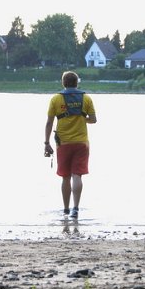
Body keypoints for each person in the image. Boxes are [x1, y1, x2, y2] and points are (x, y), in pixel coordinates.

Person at [44, 71, 97, 219]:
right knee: (77, 175)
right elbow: (93, 120)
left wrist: (46, 143)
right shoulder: (86, 98)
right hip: (82, 143)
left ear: (63, 83)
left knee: (65, 177)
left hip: (63, 144)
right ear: (77, 83)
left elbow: (49, 122)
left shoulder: (56, 99)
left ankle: (66, 209)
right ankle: (76, 208)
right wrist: (80, 118)